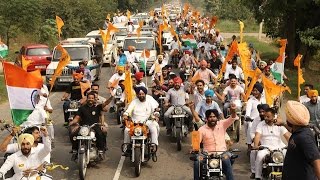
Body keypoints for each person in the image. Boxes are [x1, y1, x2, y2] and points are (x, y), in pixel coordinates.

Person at [194, 106, 238, 180]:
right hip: (206, 154)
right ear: (206, 118)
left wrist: (233, 110)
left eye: (214, 117)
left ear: (217, 118)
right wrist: (194, 148)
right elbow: (196, 142)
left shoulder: (222, 124)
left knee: (227, 160)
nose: (212, 119)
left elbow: (232, 118)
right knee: (197, 162)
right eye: (210, 117)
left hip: (222, 153)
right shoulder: (201, 129)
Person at [69, 92, 113, 161]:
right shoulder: (82, 108)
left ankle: (101, 151)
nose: (90, 99)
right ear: (87, 98)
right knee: (73, 134)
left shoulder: (98, 107)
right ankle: (74, 151)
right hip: (84, 127)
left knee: (100, 134)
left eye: (92, 98)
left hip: (94, 126)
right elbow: (77, 118)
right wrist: (73, 123)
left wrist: (111, 97)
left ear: (94, 99)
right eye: (89, 98)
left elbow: (106, 103)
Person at [282, 100, 320, 179]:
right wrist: (282, 124)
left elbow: (316, 161)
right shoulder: (299, 131)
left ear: (292, 120)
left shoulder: (304, 137)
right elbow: (292, 130)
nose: (286, 119)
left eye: (287, 117)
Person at [252, 108, 290, 180]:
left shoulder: (279, 124)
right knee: (259, 156)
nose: (265, 118)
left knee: (288, 155)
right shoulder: (261, 124)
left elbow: (287, 135)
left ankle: (287, 175)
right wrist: (256, 145)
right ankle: (258, 176)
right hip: (266, 147)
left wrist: (292, 145)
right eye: (265, 116)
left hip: (279, 147)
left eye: (268, 117)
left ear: (273, 116)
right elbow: (257, 136)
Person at [122, 86, 159, 152]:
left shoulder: (149, 100)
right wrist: (125, 114)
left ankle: (153, 146)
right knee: (126, 130)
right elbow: (129, 110)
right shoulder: (134, 101)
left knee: (154, 128)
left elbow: (155, 109)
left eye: (142, 94)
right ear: (137, 95)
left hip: (147, 121)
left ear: (145, 94)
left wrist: (156, 115)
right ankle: (127, 146)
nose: (141, 95)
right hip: (135, 122)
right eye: (139, 94)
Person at [249, 104, 269, 179]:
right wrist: (255, 140)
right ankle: (254, 172)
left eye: (263, 112)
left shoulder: (274, 119)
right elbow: (252, 132)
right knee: (253, 152)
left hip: (270, 142)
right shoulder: (256, 120)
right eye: (260, 112)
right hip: (258, 141)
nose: (262, 114)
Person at [244, 83, 266, 152]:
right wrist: (248, 117)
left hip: (264, 119)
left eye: (256, 91)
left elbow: (269, 108)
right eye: (253, 91)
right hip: (253, 120)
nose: (254, 92)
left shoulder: (264, 99)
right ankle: (249, 145)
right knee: (250, 127)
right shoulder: (251, 100)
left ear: (260, 91)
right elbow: (248, 111)